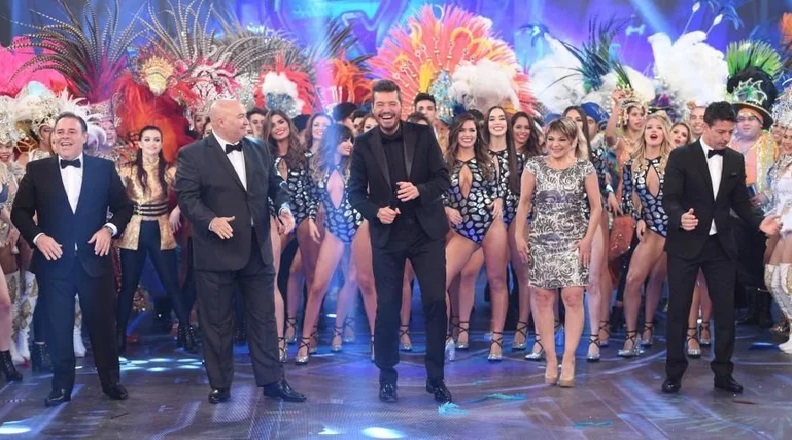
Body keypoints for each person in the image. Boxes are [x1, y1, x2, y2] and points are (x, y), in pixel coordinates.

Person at [175, 99, 306, 404]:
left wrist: (284, 209)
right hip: (216, 251)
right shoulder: (192, 155)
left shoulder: (258, 148)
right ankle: (220, 385)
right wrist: (211, 221)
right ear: (220, 122)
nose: (247, 122)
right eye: (240, 117)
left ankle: (273, 381)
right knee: (217, 322)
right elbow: (187, 198)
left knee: (264, 318)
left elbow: (275, 185)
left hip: (256, 249)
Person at [11, 112, 133, 406]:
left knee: (103, 325)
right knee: (58, 327)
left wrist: (109, 229)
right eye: (60, 132)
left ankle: (111, 382)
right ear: (54, 138)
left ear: (84, 137)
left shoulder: (103, 169)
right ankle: (61, 387)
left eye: (71, 132)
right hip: (54, 263)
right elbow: (19, 212)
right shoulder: (38, 170)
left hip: (95, 260)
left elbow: (124, 208)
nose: (64, 136)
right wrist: (39, 238)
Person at [661, 102, 780, 394]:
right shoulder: (681, 156)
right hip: (686, 243)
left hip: (720, 245)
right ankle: (673, 373)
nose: (726, 138)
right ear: (705, 126)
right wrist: (680, 217)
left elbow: (740, 202)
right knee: (678, 309)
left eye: (729, 132)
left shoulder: (735, 160)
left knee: (725, 312)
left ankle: (724, 374)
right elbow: (670, 198)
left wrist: (759, 223)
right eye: (721, 132)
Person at [348, 79, 452, 404]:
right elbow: (355, 193)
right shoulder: (363, 144)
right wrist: (376, 212)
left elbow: (443, 179)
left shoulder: (422, 135)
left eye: (391, 103)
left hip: (425, 232)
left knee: (435, 302)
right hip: (388, 234)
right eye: (380, 104)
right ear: (373, 107)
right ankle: (387, 378)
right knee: (388, 308)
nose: (386, 110)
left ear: (400, 105)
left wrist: (419, 190)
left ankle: (436, 378)